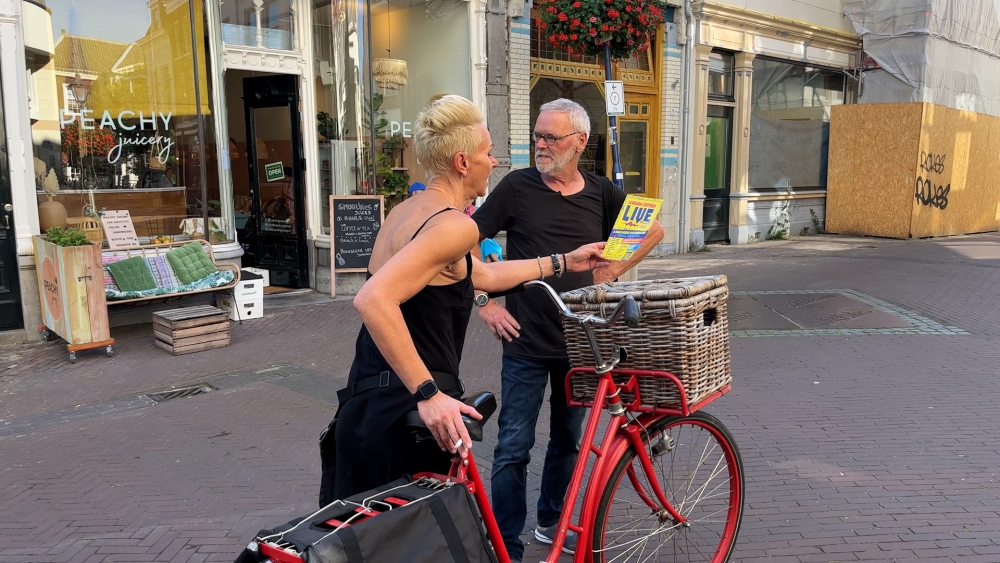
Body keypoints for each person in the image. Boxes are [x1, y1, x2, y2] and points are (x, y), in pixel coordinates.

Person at [322, 95, 610, 504]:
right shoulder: (453, 225)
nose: (494, 162)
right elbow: (372, 300)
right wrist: (429, 396)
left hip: (366, 406)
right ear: (462, 162)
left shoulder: (408, 211)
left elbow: (483, 275)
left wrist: (565, 260)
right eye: (488, 153)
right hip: (407, 413)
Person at [472, 98, 664, 561]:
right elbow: (466, 237)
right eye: (537, 135)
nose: (540, 145)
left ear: (579, 142)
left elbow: (652, 229)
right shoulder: (517, 187)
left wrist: (613, 270)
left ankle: (550, 522)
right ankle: (506, 546)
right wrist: (485, 303)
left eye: (550, 137)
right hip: (525, 340)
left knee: (569, 439)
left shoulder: (600, 192)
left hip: (582, 341)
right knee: (514, 445)